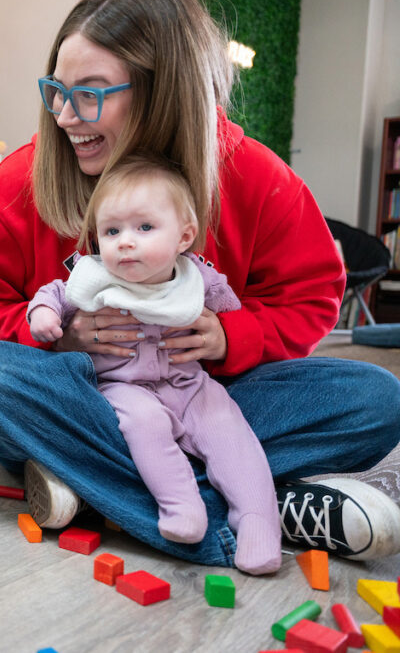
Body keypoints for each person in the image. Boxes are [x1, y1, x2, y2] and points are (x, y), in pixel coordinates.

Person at [0, 0, 400, 569]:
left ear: (161, 91)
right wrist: (56, 337)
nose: (65, 115)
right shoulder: (22, 179)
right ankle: (251, 511)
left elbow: (310, 297)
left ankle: (96, 489)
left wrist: (231, 336)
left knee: (377, 398)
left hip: (213, 398)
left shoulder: (255, 176)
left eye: (91, 93)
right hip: (94, 401)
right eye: (57, 89)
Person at [28, 156, 279, 574]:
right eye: (112, 231)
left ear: (184, 236)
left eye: (144, 228)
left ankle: (258, 522)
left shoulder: (198, 277)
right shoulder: (94, 276)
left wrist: (227, 334)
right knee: (143, 425)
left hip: (191, 385)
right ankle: (182, 506)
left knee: (230, 433)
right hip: (124, 387)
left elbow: (234, 314)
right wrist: (45, 318)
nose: (125, 241)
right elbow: (54, 293)